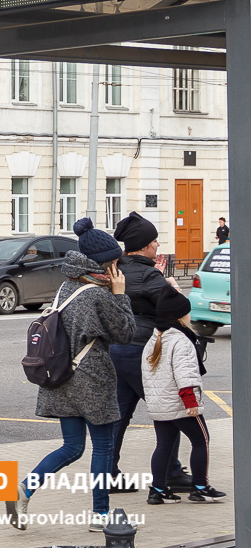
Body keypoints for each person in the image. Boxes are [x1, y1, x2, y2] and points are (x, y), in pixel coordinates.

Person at [6, 218, 135, 533]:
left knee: (72, 447)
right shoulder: (99, 294)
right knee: (102, 447)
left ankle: (24, 489)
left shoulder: (67, 285)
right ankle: (100, 515)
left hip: (62, 376)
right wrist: (120, 294)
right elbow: (126, 333)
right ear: (104, 263)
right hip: (91, 380)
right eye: (114, 261)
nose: (117, 266)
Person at [109, 211, 191, 497]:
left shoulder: (115, 269)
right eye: (155, 241)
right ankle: (171, 471)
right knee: (168, 409)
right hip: (141, 350)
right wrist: (174, 288)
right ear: (144, 246)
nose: (158, 246)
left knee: (118, 415)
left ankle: (108, 473)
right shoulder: (147, 273)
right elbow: (176, 307)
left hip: (115, 350)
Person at [142, 286, 226, 504]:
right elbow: (186, 375)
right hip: (181, 404)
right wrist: (192, 403)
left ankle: (158, 490)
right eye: (186, 312)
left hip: (161, 404)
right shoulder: (181, 341)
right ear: (180, 317)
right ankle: (200, 488)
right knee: (201, 440)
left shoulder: (154, 338)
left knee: (163, 446)